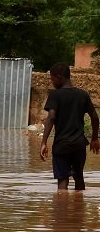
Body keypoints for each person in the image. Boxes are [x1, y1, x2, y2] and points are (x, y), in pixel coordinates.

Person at [40, 62, 100, 190]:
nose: (52, 82)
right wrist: (94, 138)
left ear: (59, 77)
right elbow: (95, 117)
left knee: (62, 180)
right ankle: (79, 208)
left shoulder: (55, 95)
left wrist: (44, 142)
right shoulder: (82, 94)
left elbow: (51, 117)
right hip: (79, 144)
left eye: (52, 79)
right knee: (79, 177)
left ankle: (62, 208)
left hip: (61, 145)